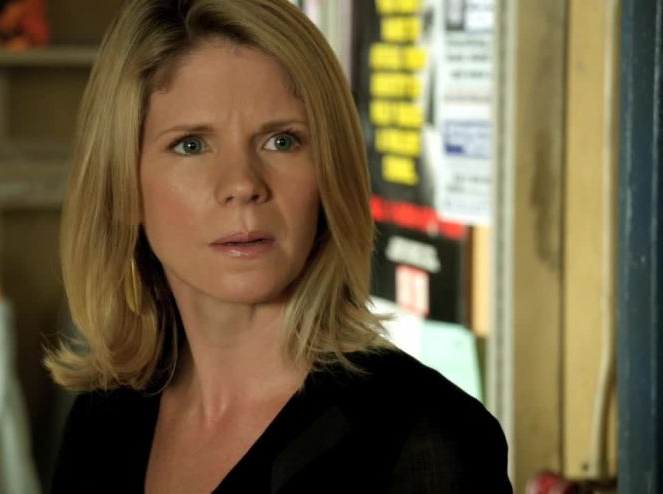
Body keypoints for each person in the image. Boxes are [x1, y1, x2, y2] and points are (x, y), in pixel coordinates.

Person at [46, 0, 512, 492]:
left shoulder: (423, 437)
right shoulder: (102, 420)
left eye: (282, 141)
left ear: (330, 173)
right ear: (123, 186)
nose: (243, 183)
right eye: (191, 144)